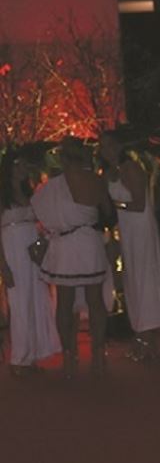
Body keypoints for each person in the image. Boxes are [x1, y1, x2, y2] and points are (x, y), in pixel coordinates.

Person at [30, 137, 114, 378]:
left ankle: (69, 355)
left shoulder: (51, 187)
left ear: (63, 158)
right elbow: (108, 214)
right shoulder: (94, 181)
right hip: (88, 243)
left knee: (65, 302)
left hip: (65, 246)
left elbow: (40, 215)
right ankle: (98, 354)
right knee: (95, 300)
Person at [99, 129, 160, 362]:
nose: (106, 150)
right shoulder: (109, 172)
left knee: (144, 278)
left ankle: (147, 337)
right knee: (131, 280)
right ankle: (139, 333)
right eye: (103, 146)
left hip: (140, 227)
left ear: (119, 146)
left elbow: (139, 204)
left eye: (110, 145)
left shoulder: (130, 168)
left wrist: (115, 203)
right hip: (125, 229)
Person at [0, 147, 60, 376]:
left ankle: (33, 354)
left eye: (26, 165)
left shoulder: (29, 192)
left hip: (32, 253)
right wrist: (3, 266)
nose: (25, 168)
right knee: (20, 302)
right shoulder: (3, 196)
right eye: (20, 165)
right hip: (13, 252)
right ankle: (19, 358)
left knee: (36, 300)